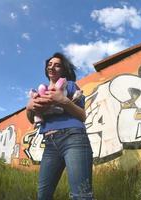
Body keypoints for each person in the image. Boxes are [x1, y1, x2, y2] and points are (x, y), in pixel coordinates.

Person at [26, 52, 94, 200]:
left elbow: (82, 115)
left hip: (73, 138)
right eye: (49, 65)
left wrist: (63, 100)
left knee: (81, 195)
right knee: (43, 195)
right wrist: (29, 108)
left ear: (63, 70)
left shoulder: (69, 85)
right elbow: (32, 120)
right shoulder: (39, 93)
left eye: (57, 65)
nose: (52, 67)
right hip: (50, 144)